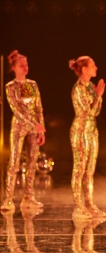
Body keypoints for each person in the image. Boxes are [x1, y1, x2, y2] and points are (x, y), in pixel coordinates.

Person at [1, 50, 46, 212]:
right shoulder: (11, 87)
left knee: (32, 162)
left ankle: (28, 197)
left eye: (26, 65)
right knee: (14, 162)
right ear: (14, 68)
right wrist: (33, 124)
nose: (25, 68)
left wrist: (41, 129)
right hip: (20, 127)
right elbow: (17, 110)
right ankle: (8, 198)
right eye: (22, 65)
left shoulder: (32, 85)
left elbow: (38, 108)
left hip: (34, 127)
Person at [69, 56, 106, 219]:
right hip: (80, 130)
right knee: (80, 169)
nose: (96, 68)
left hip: (92, 130)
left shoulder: (91, 87)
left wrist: (98, 95)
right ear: (84, 69)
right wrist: (98, 96)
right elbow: (87, 111)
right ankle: (78, 206)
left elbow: (96, 112)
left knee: (90, 170)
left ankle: (90, 204)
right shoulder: (77, 89)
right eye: (93, 65)